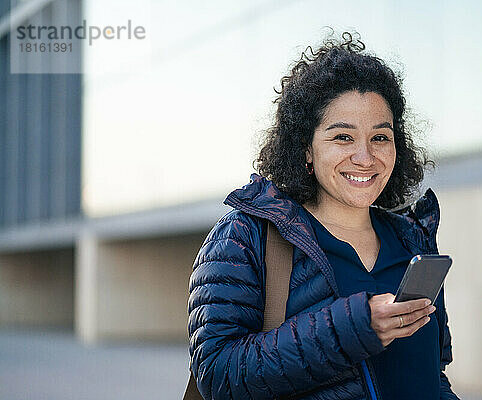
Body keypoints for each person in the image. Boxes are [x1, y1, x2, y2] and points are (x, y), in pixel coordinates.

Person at [187, 31, 459, 400]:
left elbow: (432, 373)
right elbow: (219, 375)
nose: (365, 157)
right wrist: (355, 328)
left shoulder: (412, 240)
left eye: (380, 137)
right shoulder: (246, 235)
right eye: (343, 138)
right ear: (307, 149)